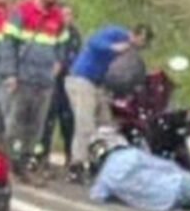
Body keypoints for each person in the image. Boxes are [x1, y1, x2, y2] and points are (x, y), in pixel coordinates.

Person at [0, 0, 69, 184]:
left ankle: (25, 165)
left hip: (44, 81)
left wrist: (58, 63)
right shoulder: (22, 11)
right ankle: (6, 162)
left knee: (35, 127)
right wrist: (10, 73)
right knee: (14, 124)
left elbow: (62, 44)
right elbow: (8, 44)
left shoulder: (58, 17)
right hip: (22, 79)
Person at [65, 22, 153, 184]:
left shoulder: (130, 51)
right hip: (81, 79)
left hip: (98, 84)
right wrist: (112, 47)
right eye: (143, 43)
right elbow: (93, 42)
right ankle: (76, 166)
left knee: (106, 124)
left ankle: (100, 162)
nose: (142, 47)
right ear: (138, 35)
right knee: (86, 124)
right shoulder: (115, 34)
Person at [39, 2, 80, 170]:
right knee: (47, 121)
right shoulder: (50, 32)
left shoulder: (75, 35)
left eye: (69, 15)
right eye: (63, 14)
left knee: (68, 122)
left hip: (68, 83)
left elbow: (75, 58)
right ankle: (42, 157)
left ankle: (70, 157)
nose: (66, 18)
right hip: (50, 82)